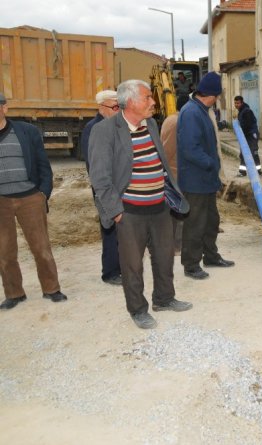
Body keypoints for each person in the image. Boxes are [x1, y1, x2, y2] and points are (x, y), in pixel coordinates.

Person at [88, 79, 192, 329]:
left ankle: (164, 298)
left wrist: (169, 193)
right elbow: (99, 177)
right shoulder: (105, 131)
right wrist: (115, 212)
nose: (153, 102)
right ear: (130, 101)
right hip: (130, 212)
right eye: (147, 98)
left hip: (159, 206)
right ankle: (137, 310)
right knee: (132, 265)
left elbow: (160, 163)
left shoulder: (151, 124)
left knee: (165, 257)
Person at [0, 92, 68, 310]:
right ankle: (14, 293)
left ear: (5, 108)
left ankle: (51, 289)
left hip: (30, 198)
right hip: (1, 202)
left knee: (41, 247)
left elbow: (42, 164)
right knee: (4, 252)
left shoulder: (26, 132)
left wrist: (42, 194)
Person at [178, 72, 235, 280]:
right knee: (195, 223)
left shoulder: (202, 110)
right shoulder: (192, 113)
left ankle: (211, 256)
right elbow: (189, 149)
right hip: (195, 180)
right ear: (211, 95)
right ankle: (191, 264)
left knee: (211, 220)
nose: (217, 100)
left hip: (207, 180)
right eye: (218, 96)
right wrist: (211, 163)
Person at [81, 89, 122, 285]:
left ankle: (120, 267)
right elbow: (93, 163)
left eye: (119, 106)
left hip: (119, 187)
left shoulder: (117, 125)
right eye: (114, 107)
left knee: (121, 230)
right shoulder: (93, 128)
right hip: (104, 188)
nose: (117, 110)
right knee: (109, 228)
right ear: (101, 107)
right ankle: (110, 272)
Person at [160, 101, 184, 256]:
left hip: (172, 172)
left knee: (173, 212)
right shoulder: (176, 122)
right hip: (174, 173)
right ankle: (174, 246)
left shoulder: (171, 118)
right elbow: (168, 149)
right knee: (176, 213)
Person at [234, 96, 262, 177]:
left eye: (238, 103)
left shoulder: (247, 111)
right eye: (235, 103)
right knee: (243, 153)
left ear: (242, 103)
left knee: (254, 153)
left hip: (251, 135)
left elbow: (247, 125)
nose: (236, 105)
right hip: (245, 135)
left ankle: (258, 172)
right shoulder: (241, 111)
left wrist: (240, 132)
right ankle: (242, 172)